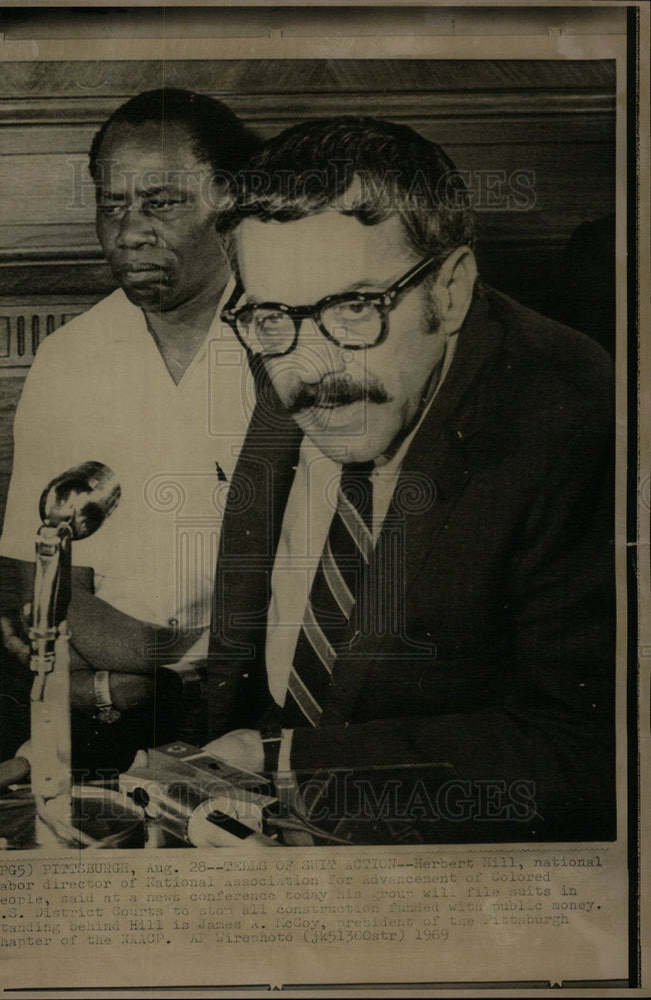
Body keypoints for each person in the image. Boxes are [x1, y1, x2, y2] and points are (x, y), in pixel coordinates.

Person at [179, 116, 615, 843]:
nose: (310, 369)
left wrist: (293, 766)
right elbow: (251, 635)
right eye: (272, 316)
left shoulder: (573, 422)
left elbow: (590, 748)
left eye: (355, 306)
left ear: (450, 291)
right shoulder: (291, 340)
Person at [0, 88, 259, 773]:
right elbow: (43, 573)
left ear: (229, 199)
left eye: (160, 202)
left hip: (253, 687)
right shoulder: (72, 355)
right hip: (98, 674)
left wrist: (151, 666)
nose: (129, 230)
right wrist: (122, 676)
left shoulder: (287, 334)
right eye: (112, 206)